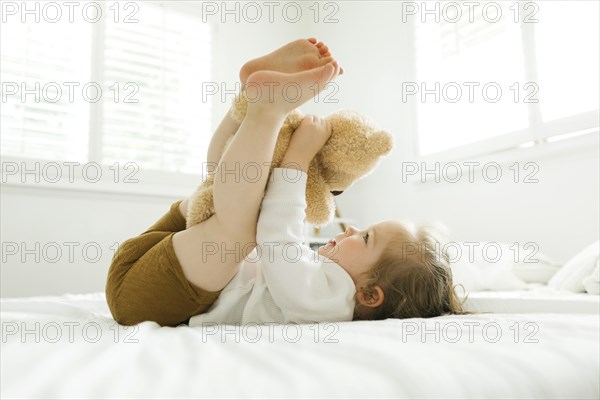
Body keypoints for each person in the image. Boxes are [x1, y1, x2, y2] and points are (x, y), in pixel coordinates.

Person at [106, 38, 466, 327]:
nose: (354, 228)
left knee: (240, 222)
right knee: (228, 192)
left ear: (370, 294)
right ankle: (251, 103)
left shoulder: (329, 301)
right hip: (166, 269)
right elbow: (283, 237)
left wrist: (298, 159)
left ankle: (263, 107)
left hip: (148, 298)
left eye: (367, 237)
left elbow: (278, 237)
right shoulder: (323, 282)